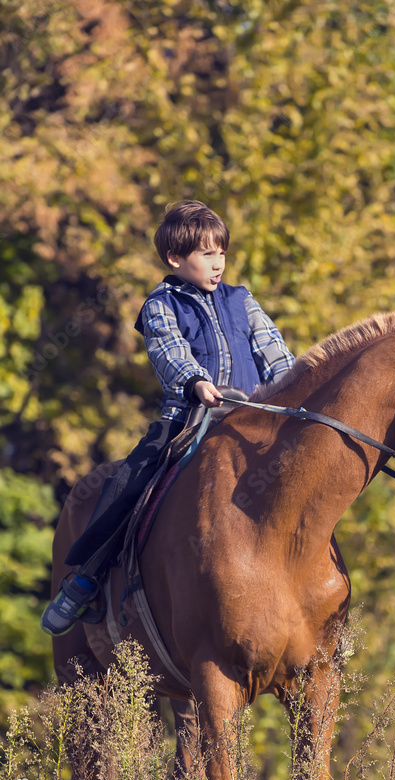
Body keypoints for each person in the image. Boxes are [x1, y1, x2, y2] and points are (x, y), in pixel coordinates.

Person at [41, 200, 295, 636]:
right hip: (188, 418)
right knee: (129, 482)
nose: (218, 263)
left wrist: (294, 385)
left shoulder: (242, 300)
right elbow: (168, 350)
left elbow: (275, 351)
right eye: (207, 254)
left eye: (222, 253)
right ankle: (85, 578)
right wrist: (195, 381)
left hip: (253, 418)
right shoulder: (161, 304)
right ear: (175, 258)